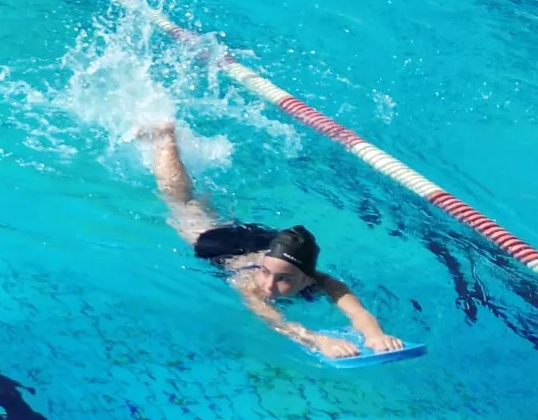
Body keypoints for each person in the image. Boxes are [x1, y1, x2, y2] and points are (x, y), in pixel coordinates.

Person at [144, 123, 403, 360]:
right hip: (224, 247)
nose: (268, 286)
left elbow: (357, 312)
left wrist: (375, 336)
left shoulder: (326, 283)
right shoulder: (251, 284)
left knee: (204, 207)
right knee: (181, 203)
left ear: (308, 279)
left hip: (266, 245)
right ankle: (164, 137)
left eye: (284, 279)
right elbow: (272, 319)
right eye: (267, 274)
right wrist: (316, 340)